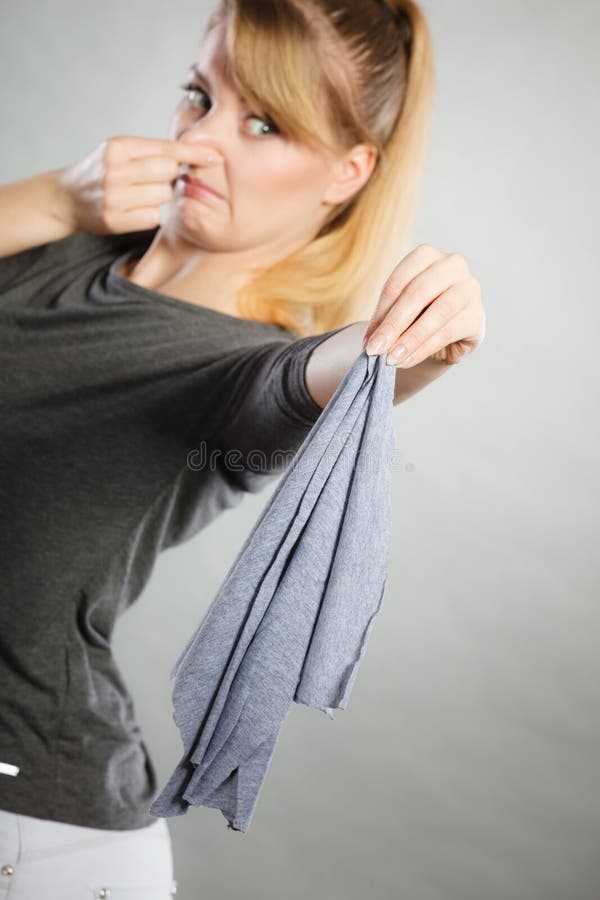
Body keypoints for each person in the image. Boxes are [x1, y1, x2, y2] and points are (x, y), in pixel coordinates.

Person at [0, 0, 485, 896]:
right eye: (198, 96)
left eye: (262, 121)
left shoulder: (235, 366)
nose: (197, 142)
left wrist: (402, 346)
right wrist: (55, 196)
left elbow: (304, 385)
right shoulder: (61, 249)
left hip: (36, 834)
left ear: (348, 171)